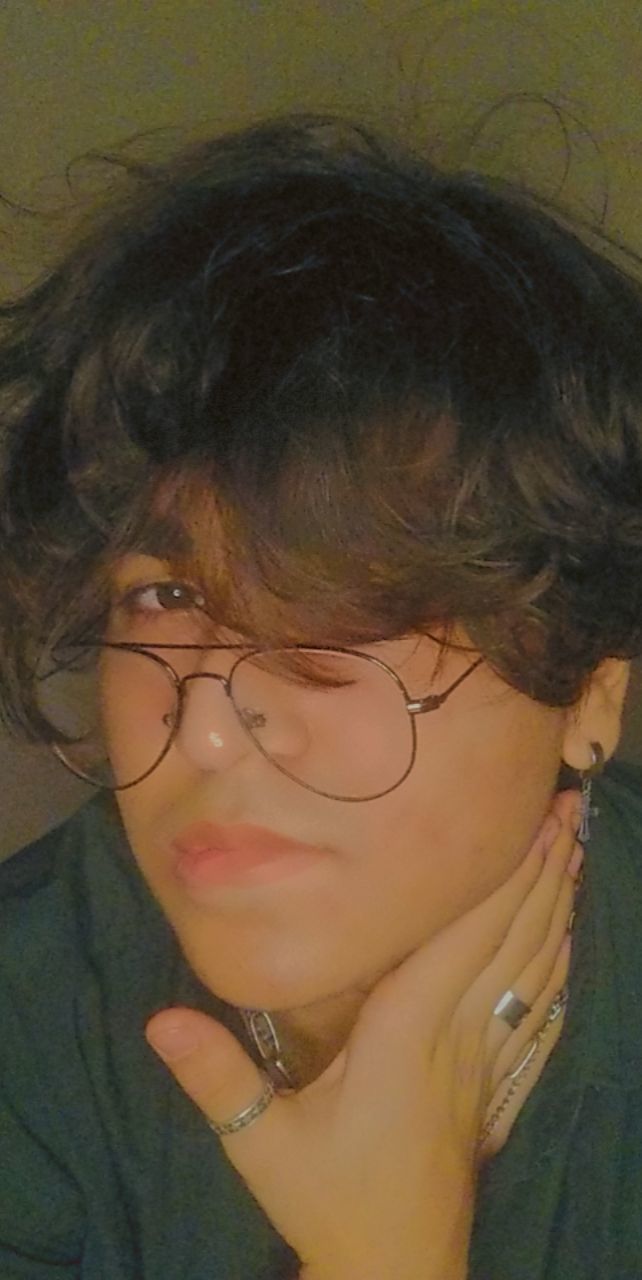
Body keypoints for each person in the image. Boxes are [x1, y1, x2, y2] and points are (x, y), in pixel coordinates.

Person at [0, 111, 641, 1279]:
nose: (203, 725)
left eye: (350, 602)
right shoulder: (29, 1020)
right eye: (165, 594)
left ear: (593, 687)